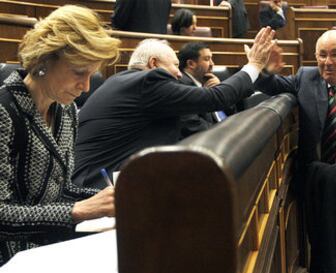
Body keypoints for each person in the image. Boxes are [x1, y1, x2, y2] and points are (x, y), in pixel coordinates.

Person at [73, 27, 276, 189]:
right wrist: (255, 65)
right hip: (98, 190)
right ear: (154, 64)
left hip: (100, 182)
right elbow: (216, 97)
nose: (179, 74)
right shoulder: (148, 82)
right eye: (174, 65)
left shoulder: (122, 81)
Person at [0, 5, 120, 265]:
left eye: (92, 75)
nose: (86, 86)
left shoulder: (68, 112)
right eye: (79, 72)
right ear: (44, 60)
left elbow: (59, 190)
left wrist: (104, 200)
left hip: (48, 252)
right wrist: (78, 211)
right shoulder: (4, 112)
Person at [255, 30, 336, 190]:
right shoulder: (306, 78)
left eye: (335, 55)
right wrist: (266, 70)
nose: (327, 62)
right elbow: (269, 85)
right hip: (314, 181)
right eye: (322, 55)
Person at [177, 42, 227, 137]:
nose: (212, 64)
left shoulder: (206, 81)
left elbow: (231, 111)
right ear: (191, 64)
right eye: (207, 59)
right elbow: (193, 126)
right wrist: (225, 133)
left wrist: (220, 90)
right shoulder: (182, 87)